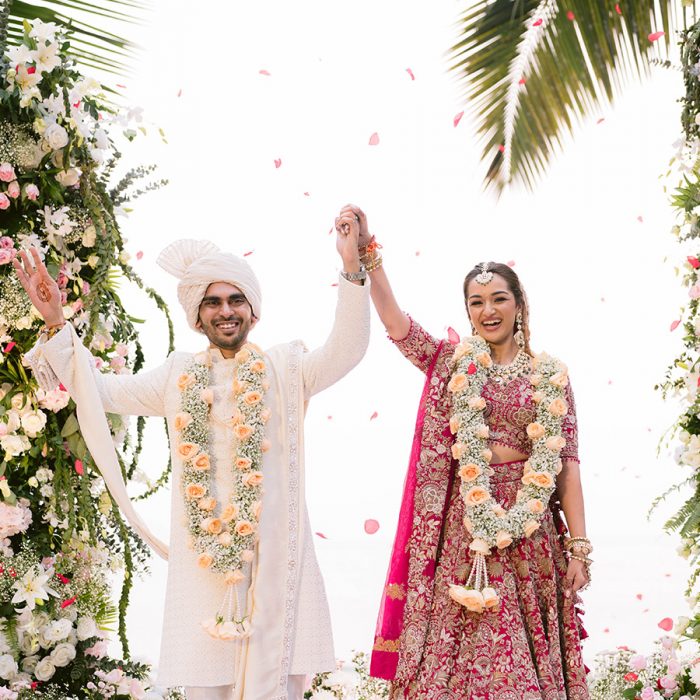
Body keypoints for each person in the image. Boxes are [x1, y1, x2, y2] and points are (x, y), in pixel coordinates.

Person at [14, 209, 369, 700]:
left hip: (277, 569)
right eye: (213, 302)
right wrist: (57, 322)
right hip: (204, 571)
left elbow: (347, 349)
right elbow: (101, 391)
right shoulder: (177, 376)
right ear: (197, 317)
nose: (226, 311)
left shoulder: (287, 370)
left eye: (236, 300)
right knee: (206, 687)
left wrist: (351, 269)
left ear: (254, 311)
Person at [336, 205, 590, 699]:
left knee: (520, 666)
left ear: (519, 304)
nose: (487, 310)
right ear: (467, 311)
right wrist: (366, 254)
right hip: (463, 532)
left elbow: (568, 469)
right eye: (476, 302)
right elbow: (397, 325)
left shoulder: (551, 377)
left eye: (498, 299)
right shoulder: (452, 364)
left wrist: (579, 549)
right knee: (459, 661)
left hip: (530, 534)